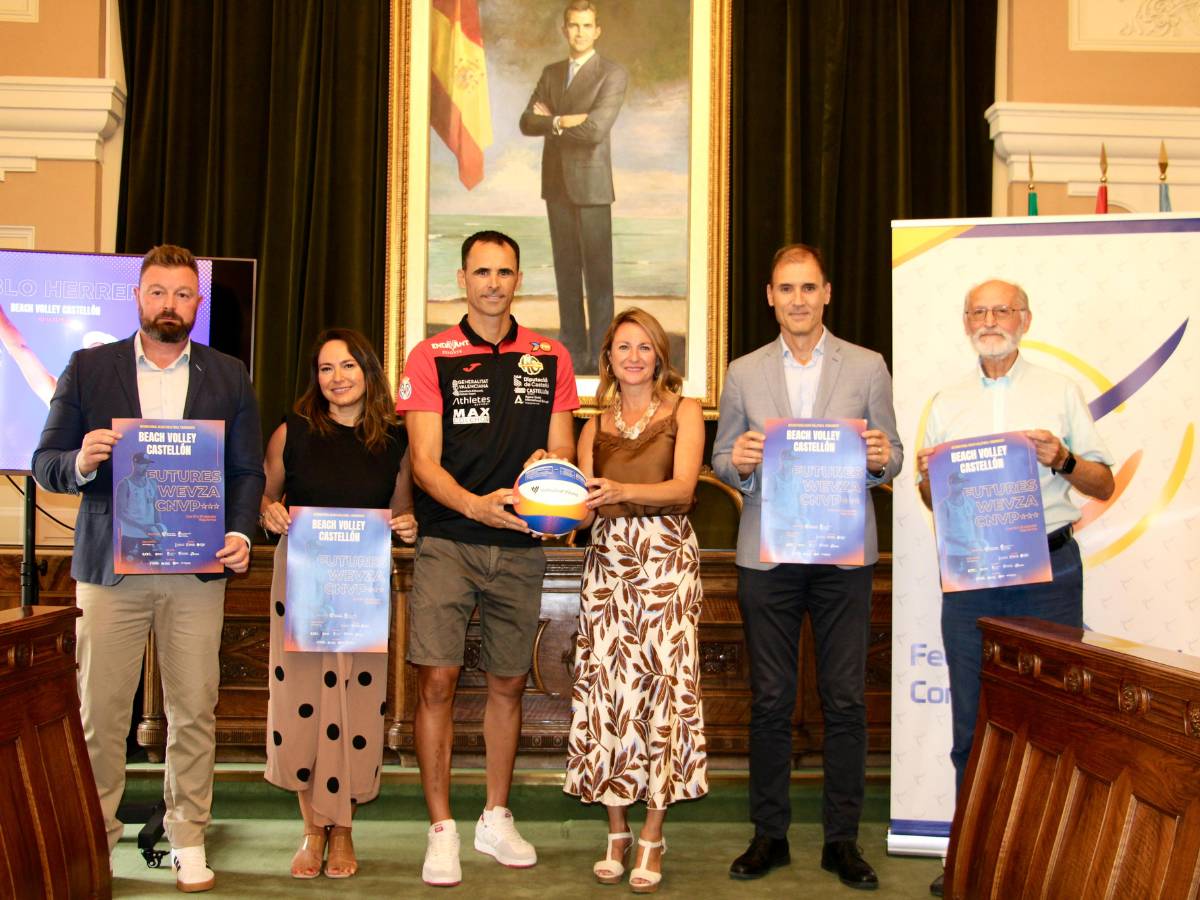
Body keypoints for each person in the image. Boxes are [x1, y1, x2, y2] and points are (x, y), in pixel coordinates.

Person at [32, 244, 264, 893]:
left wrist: (241, 531)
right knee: (99, 713)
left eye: (182, 294)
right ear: (137, 297)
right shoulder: (88, 369)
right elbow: (45, 461)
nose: (170, 305)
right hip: (110, 570)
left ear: (198, 302)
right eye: (158, 292)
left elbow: (248, 471)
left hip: (196, 567)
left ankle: (188, 836)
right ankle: (97, 838)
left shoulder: (228, 375)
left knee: (194, 708)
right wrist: (80, 459)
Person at [916, 279, 1114, 897]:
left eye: (1002, 309)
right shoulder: (946, 401)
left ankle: (1048, 870)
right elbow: (933, 501)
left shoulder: (1060, 391)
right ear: (965, 321)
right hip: (972, 575)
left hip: (1050, 576)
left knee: (1054, 725)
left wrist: (1061, 459)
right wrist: (928, 480)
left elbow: (1102, 483)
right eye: (978, 310)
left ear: (1025, 319)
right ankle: (970, 861)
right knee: (972, 729)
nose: (990, 320)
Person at [712, 243, 901, 890]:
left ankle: (842, 842)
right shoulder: (742, 372)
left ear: (827, 294)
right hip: (769, 552)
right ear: (770, 296)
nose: (797, 299)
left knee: (844, 699)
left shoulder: (869, 367)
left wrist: (879, 457)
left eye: (808, 288)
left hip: (843, 553)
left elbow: (892, 455)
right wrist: (735, 457)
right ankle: (770, 835)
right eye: (786, 288)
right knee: (770, 700)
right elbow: (720, 459)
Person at [397, 230, 579, 886]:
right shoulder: (430, 356)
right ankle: (441, 827)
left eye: (505, 272)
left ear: (518, 279)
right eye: (482, 272)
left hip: (522, 548)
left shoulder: (550, 356)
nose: (493, 283)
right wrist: (474, 506)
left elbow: (561, 451)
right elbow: (422, 464)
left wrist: (547, 467)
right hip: (450, 540)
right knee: (438, 682)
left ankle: (495, 816)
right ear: (463, 279)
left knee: (508, 684)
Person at [259, 328, 417, 879]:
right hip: (301, 583)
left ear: (368, 371)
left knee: (354, 705)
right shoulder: (293, 431)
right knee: (303, 700)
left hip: (361, 587)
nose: (337, 378)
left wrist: (409, 525)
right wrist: (267, 511)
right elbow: (262, 497)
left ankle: (344, 829)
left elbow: (401, 514)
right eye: (326, 369)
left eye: (348, 365)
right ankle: (311, 828)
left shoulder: (396, 440)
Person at [564, 307, 707, 893]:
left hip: (667, 561)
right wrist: (542, 490)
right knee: (609, 693)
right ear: (609, 358)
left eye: (644, 346)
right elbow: (577, 508)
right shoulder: (590, 426)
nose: (634, 356)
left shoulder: (686, 411)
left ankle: (653, 829)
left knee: (663, 689)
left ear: (659, 356)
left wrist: (622, 489)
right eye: (623, 346)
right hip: (608, 564)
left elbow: (684, 488)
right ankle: (616, 828)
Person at [518, 0, 628, 374]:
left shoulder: (611, 74)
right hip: (556, 187)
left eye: (586, 25)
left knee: (598, 278)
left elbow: (596, 129)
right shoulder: (551, 73)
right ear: (564, 29)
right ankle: (571, 352)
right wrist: (566, 121)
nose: (579, 32)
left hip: (593, 188)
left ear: (597, 31)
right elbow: (526, 122)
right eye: (573, 25)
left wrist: (553, 122)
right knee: (566, 274)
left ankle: (601, 356)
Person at [114, 451, 164, 562]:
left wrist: (159, 526)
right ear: (134, 464)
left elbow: (156, 508)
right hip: (131, 536)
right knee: (130, 569)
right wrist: (143, 527)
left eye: (147, 463)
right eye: (142, 463)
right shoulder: (125, 484)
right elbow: (119, 513)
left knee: (157, 566)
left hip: (150, 535)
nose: (146, 466)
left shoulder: (153, 483)